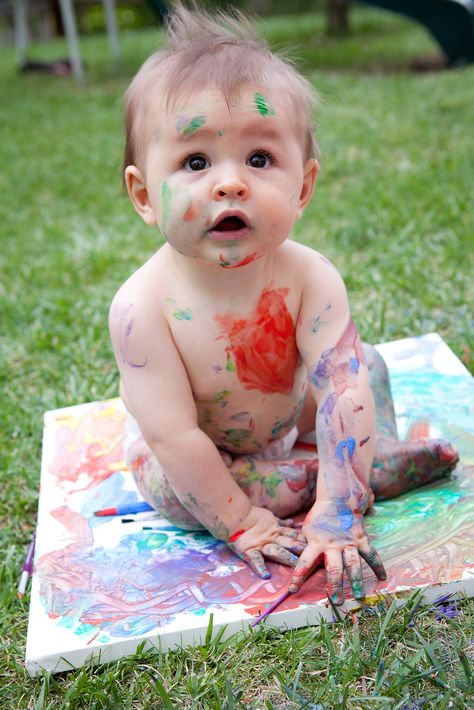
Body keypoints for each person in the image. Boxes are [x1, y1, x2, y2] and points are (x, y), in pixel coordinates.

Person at [109, 3, 458, 605]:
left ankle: (354, 471)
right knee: (166, 483)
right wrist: (243, 521)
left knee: (363, 366)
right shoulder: (142, 308)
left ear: (303, 186)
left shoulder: (309, 276)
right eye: (196, 162)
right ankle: (340, 475)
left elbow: (341, 386)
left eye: (260, 159)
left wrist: (338, 516)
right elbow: (176, 437)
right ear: (144, 195)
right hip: (211, 451)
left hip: (289, 411)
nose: (229, 183)